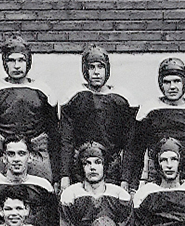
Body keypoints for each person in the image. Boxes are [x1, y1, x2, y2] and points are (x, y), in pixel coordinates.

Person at [0, 34, 59, 185]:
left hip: (36, 156)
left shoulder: (42, 91)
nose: (16, 66)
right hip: (5, 157)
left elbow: (54, 136)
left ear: (28, 61)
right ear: (5, 63)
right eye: (11, 60)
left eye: (21, 60)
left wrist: (57, 176)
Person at [59, 45, 139, 191]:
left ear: (107, 69)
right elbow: (67, 140)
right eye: (91, 67)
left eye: (100, 67)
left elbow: (130, 143)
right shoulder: (75, 98)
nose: (96, 72)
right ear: (85, 70)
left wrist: (125, 178)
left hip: (111, 168)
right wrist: (64, 175)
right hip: (82, 166)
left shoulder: (121, 101)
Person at [131, 57, 185, 192]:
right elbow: (135, 152)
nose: (172, 87)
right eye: (167, 82)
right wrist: (132, 186)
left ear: (184, 83)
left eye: (177, 81)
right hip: (156, 178)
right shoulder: (149, 110)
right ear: (160, 84)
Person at [59, 142, 133, 226]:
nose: (92, 167)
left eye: (97, 162)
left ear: (105, 165)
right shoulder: (70, 195)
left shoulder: (120, 195)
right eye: (87, 163)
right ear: (81, 167)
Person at [0, 134, 58, 226]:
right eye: (11, 154)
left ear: (30, 157)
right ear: (4, 158)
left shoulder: (42, 186)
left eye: (21, 153)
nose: (16, 159)